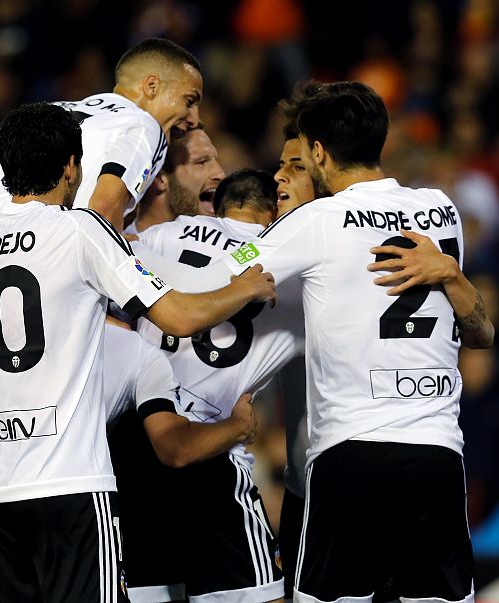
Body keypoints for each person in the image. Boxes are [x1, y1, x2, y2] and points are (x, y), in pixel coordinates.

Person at [0, 102, 276, 603]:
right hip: (69, 483)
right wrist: (243, 289)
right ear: (72, 165)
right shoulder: (81, 231)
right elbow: (178, 317)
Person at [150, 80, 493, 603]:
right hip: (437, 452)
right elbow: (477, 330)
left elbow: (232, 266)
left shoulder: (316, 222)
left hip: (349, 455)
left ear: (318, 151)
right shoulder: (442, 210)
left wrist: (228, 247)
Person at [0, 317, 259, 603]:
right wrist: (238, 426)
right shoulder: (142, 352)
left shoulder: (36, 325)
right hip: (54, 480)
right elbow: (175, 447)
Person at [135, 169, 293, 603]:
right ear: (274, 210)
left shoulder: (160, 237)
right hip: (209, 450)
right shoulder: (283, 257)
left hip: (132, 445)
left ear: (218, 206)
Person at [0, 37, 203, 231]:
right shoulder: (143, 124)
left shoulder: (50, 109)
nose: (195, 118)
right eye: (189, 100)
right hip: (23, 250)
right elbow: (104, 209)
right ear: (152, 86)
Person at [271, 116, 316, 603]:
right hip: (302, 489)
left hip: (351, 483)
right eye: (279, 165)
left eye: (296, 166)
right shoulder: (274, 249)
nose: (279, 176)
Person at [125, 127, 225, 234]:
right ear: (159, 179)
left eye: (216, 160)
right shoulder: (115, 248)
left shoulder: (235, 246)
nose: (220, 174)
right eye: (201, 162)